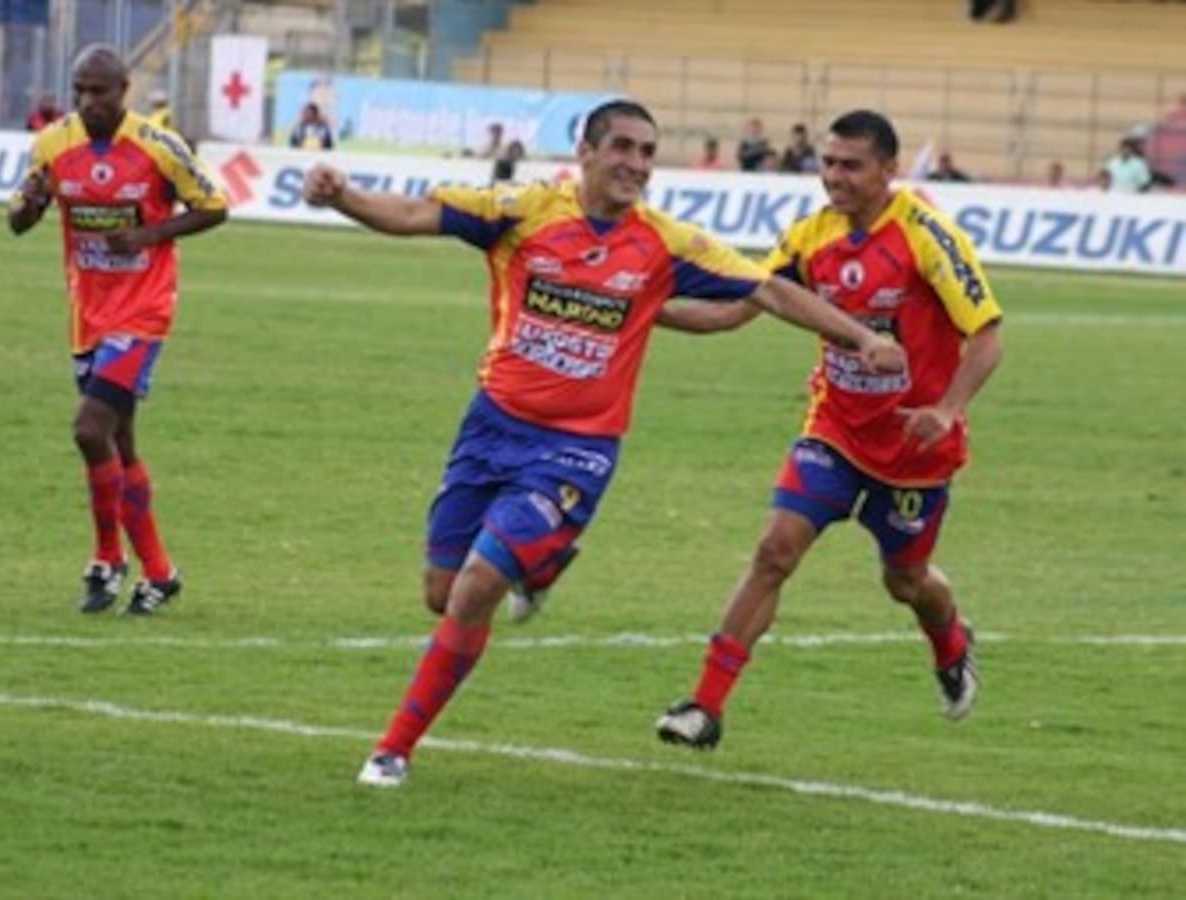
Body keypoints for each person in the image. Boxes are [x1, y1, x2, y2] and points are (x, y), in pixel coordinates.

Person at [301, 99, 906, 788]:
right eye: (622, 147)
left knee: (475, 589)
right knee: (442, 594)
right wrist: (343, 196)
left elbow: (766, 291)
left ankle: (394, 749)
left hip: (577, 450)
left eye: (647, 152)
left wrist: (859, 337)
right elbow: (414, 216)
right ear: (584, 151)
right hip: (490, 428)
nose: (636, 164)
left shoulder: (663, 241)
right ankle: (546, 561)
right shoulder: (522, 210)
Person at [653, 109, 1003, 750]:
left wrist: (948, 410)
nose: (835, 177)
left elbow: (987, 335)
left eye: (851, 166)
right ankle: (704, 708)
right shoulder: (809, 237)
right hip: (835, 430)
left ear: (888, 170)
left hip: (913, 446)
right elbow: (738, 307)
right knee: (774, 550)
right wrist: (649, 311)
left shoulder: (927, 235)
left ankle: (950, 642)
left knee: (906, 582)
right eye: (829, 163)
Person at [7, 44, 228, 615]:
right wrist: (29, 207)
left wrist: (149, 237)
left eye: (98, 91)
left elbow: (215, 205)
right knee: (117, 442)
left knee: (89, 430)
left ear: (124, 90)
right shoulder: (54, 143)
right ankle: (160, 572)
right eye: (79, 89)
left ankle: (106, 558)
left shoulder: (158, 146)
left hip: (143, 310)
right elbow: (17, 220)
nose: (87, 101)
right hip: (88, 312)